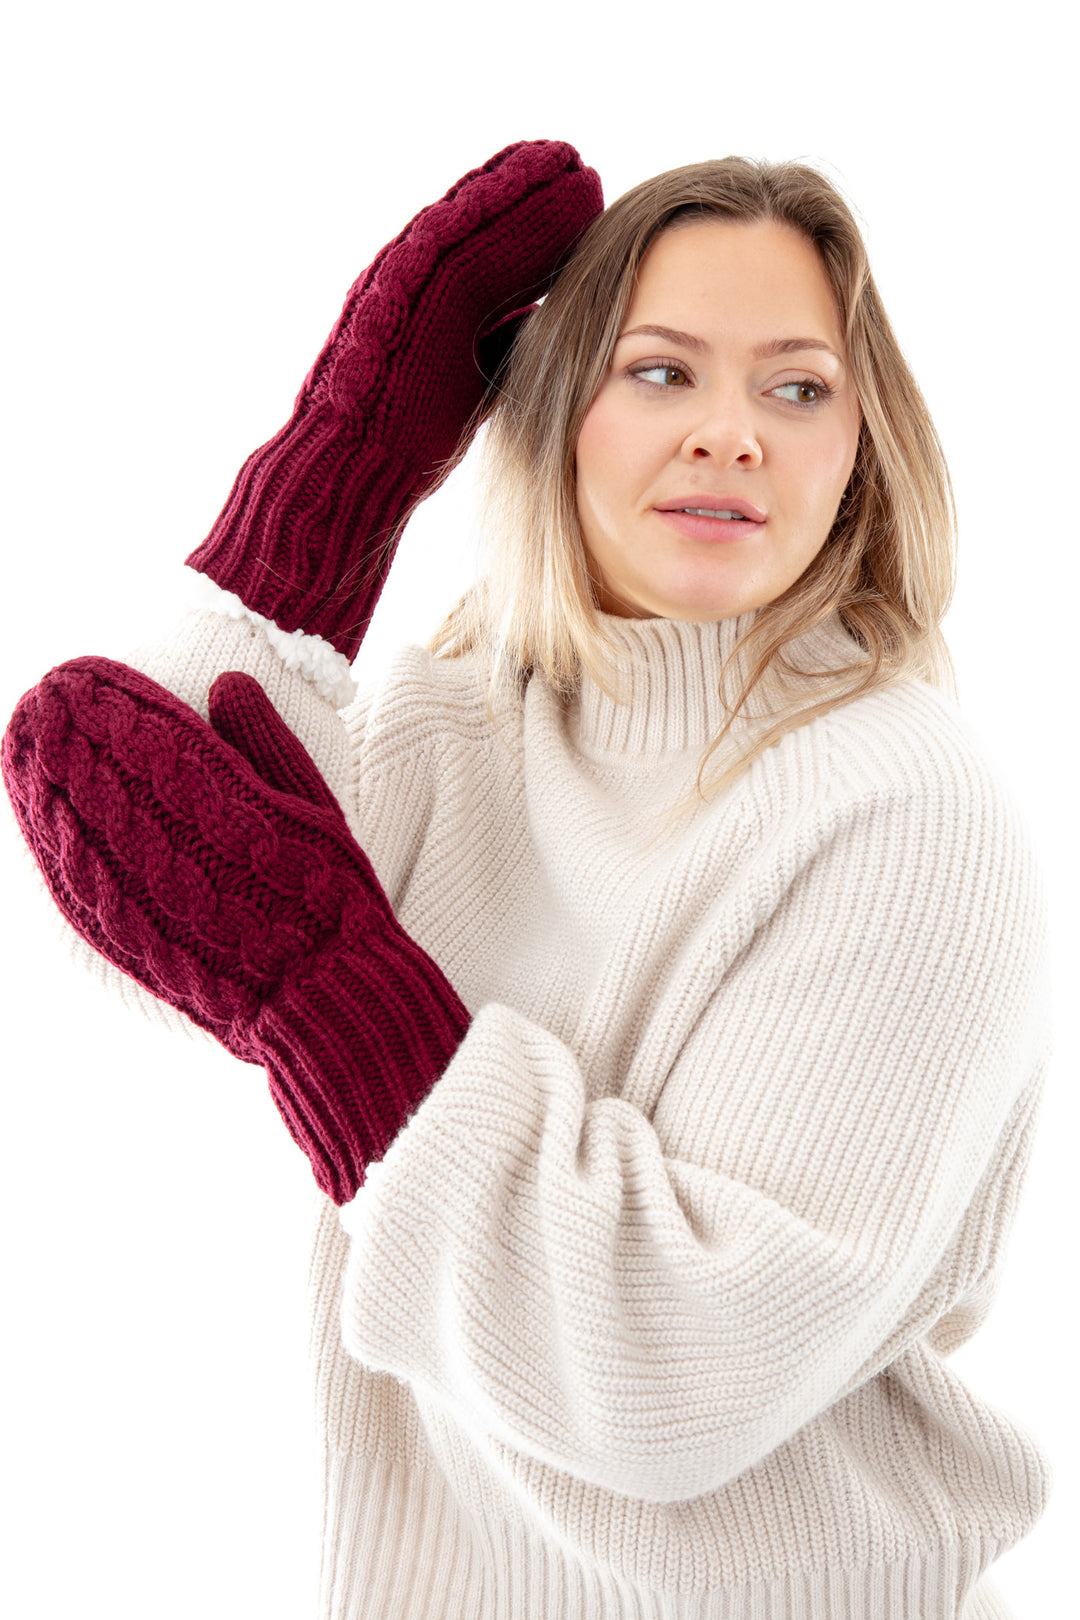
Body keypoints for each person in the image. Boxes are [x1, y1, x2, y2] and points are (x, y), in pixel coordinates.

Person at [1, 139, 1050, 1620]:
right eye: (662, 371)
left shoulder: (911, 816)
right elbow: (121, 926)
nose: (731, 433)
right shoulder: (462, 716)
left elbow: (671, 1368)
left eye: (796, 386)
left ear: (861, 448)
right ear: (557, 412)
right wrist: (350, 456)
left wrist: (335, 1004)